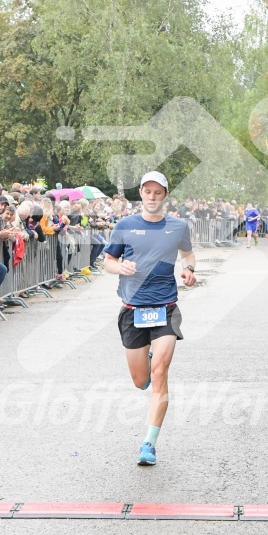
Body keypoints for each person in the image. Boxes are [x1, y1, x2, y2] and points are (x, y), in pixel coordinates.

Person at [104, 171, 196, 466]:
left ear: (165, 195)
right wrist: (120, 268)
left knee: (160, 374)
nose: (153, 197)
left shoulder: (178, 226)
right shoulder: (125, 225)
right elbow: (108, 261)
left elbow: (188, 254)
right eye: (148, 192)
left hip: (165, 307)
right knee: (140, 379)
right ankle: (149, 360)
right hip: (133, 310)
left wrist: (189, 270)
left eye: (158, 193)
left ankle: (149, 443)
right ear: (141, 193)